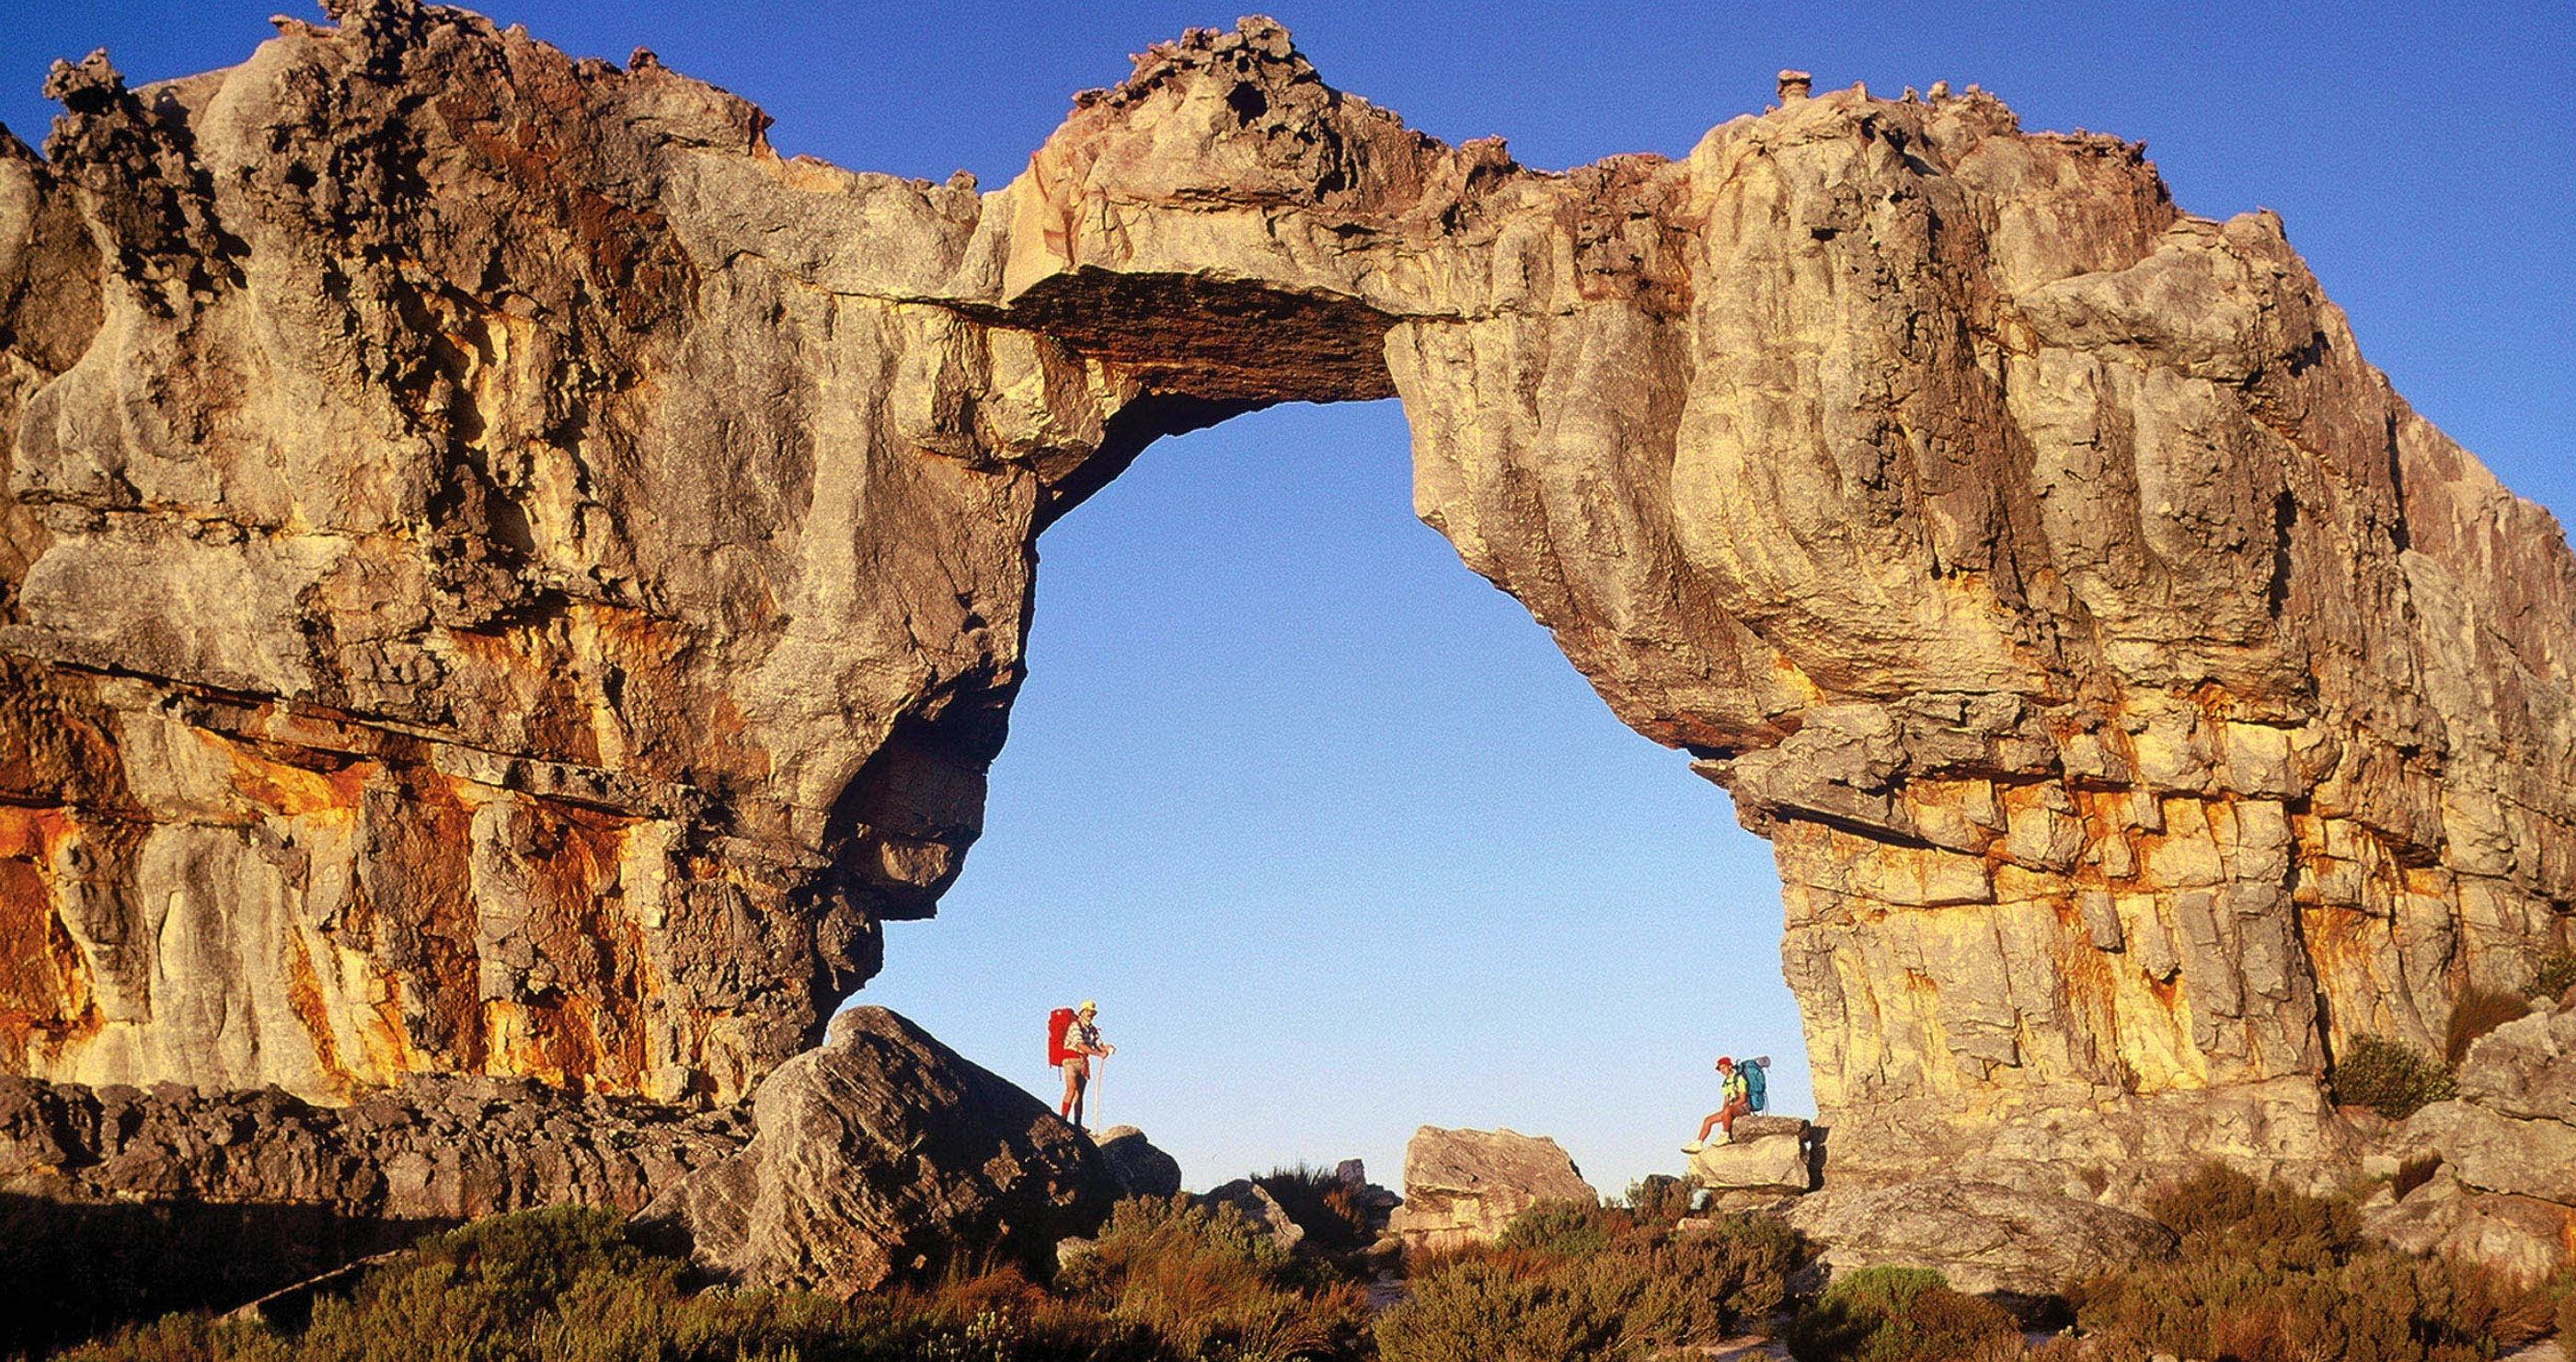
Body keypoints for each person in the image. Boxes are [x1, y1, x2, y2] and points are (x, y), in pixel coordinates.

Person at [1059, 999, 1114, 1129]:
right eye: (1088, 1011)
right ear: (1082, 1012)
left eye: (1092, 1012)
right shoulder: (1075, 1026)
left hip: (1083, 1062)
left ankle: (1077, 1124)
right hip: (1070, 1060)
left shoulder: (1093, 1030)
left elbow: (1099, 1044)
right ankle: (1063, 1119)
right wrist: (1098, 1053)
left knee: (1080, 1094)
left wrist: (1106, 1048)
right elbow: (1079, 1044)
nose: (1090, 1014)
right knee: (1071, 1089)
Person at [1684, 1056, 1750, 1153]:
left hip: (1743, 1107)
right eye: (1720, 1069)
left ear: (1730, 1066)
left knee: (1727, 1110)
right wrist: (1724, 1113)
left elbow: (1743, 1099)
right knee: (1708, 1120)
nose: (1722, 1070)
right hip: (1731, 1108)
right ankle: (1698, 1143)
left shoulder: (1739, 1078)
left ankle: (1725, 1135)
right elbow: (1726, 1100)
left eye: (1724, 1067)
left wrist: (1729, 1109)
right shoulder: (1726, 1083)